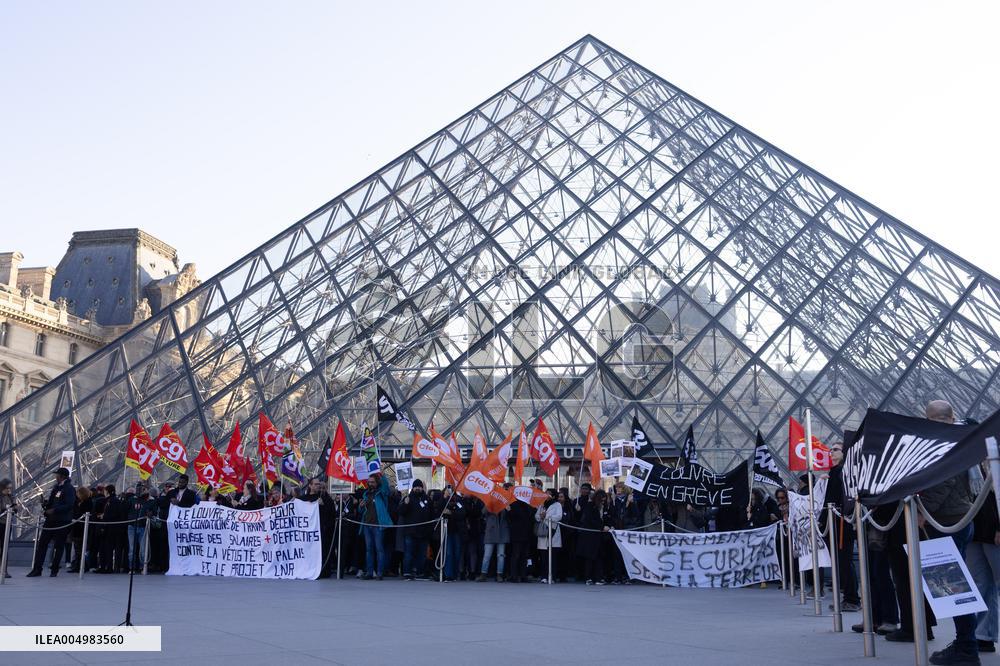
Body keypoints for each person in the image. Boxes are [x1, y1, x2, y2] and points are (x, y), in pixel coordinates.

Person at [822, 440, 862, 612]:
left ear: (845, 453)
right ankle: (850, 597)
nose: (831, 452)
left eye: (836, 449)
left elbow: (831, 500)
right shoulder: (838, 472)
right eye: (831, 449)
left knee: (843, 561)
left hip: (839, 522)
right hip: (839, 520)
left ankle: (852, 598)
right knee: (842, 561)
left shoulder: (840, 472)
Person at [967, 472, 1000, 654]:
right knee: (981, 584)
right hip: (974, 527)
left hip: (992, 528)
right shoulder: (971, 457)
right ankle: (983, 635)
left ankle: (984, 634)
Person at [28, 468, 76, 577]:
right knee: (42, 544)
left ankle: (54, 570)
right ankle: (37, 569)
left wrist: (54, 510)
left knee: (58, 546)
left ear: (62, 476)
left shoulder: (69, 488)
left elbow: (69, 505)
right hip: (51, 520)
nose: (56, 477)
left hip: (62, 521)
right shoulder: (56, 487)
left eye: (57, 475)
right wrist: (46, 506)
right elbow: (52, 502)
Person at [399, 479, 434, 580]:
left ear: (422, 488)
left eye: (419, 486)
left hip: (424, 533)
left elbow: (431, 515)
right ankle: (407, 572)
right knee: (409, 553)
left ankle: (420, 572)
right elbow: (401, 512)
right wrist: (405, 504)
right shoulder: (408, 498)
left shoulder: (427, 499)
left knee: (422, 554)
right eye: (415, 487)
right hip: (410, 532)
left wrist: (430, 529)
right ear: (413, 488)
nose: (417, 488)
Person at [360, 472, 392, 580]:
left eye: (372, 482)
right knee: (369, 550)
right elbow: (362, 511)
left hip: (378, 525)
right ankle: (369, 572)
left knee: (379, 549)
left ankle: (379, 573)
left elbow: (386, 487)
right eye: (369, 482)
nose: (370, 484)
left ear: (377, 482)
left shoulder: (381, 493)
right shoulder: (366, 494)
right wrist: (361, 507)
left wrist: (382, 475)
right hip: (367, 525)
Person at [576, 489, 611, 584]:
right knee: (589, 558)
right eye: (601, 500)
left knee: (599, 557)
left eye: (604, 500)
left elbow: (607, 518)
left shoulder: (605, 507)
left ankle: (598, 578)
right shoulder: (590, 506)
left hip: (600, 537)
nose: (603, 502)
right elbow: (590, 520)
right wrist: (602, 527)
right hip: (590, 536)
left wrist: (609, 525)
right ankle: (588, 578)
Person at [126, 482, 156, 573]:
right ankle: (132, 568)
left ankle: (142, 567)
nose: (140, 490)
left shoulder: (150, 500)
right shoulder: (132, 499)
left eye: (142, 488)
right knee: (132, 549)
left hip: (143, 527)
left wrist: (151, 513)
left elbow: (153, 511)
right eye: (138, 488)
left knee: (143, 550)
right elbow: (126, 510)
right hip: (132, 526)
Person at [479, 499, 510, 582]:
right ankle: (483, 574)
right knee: (487, 555)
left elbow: (510, 517)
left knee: (501, 556)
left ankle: (499, 574)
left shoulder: (505, 503)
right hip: (491, 532)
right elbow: (483, 512)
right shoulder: (490, 502)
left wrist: (508, 510)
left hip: (502, 533)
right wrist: (489, 503)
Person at [535, 489, 563, 584]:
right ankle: (543, 576)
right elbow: (536, 516)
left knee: (553, 557)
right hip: (543, 532)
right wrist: (540, 516)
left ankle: (553, 576)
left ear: (553, 496)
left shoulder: (557, 505)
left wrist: (546, 516)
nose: (546, 495)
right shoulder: (542, 504)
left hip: (553, 531)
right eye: (546, 493)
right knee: (543, 557)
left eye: (549, 494)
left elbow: (559, 516)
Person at [441, 486, 468, 582]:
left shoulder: (459, 500)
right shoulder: (443, 499)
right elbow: (440, 511)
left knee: (457, 553)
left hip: (457, 531)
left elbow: (462, 513)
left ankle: (455, 573)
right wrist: (444, 498)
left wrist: (451, 512)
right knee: (448, 553)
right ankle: (448, 574)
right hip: (447, 530)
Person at [507, 492, 535, 583]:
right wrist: (509, 511)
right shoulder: (514, 504)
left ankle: (523, 575)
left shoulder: (528, 505)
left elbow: (531, 518)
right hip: (518, 534)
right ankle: (514, 575)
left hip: (525, 534)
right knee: (516, 555)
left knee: (524, 556)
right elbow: (510, 518)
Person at [67, 486, 94, 573]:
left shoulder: (87, 503)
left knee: (79, 548)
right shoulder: (79, 502)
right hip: (77, 527)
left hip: (82, 528)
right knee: (77, 548)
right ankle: (80, 565)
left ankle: (80, 566)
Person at [0, 478, 18, 577]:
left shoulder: (10, 497)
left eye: (10, 488)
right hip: (1, 523)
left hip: (6, 524)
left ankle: (4, 570)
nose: (9, 490)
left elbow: (15, 509)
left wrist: (14, 507)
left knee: (4, 548)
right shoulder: (1, 497)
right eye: (8, 488)